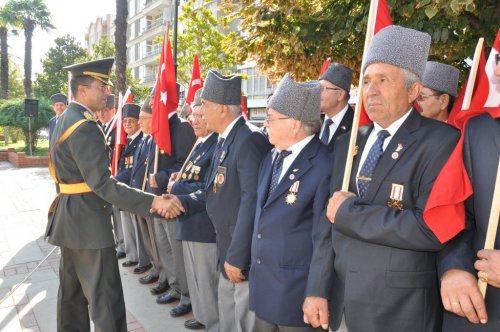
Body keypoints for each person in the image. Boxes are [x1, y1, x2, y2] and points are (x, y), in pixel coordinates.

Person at [302, 25, 460, 332]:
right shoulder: (350, 141)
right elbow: (327, 221)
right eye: (366, 81)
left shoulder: (442, 142)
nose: (370, 91)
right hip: (342, 303)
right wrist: (317, 288)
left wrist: (351, 213)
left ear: (413, 91)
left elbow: (433, 228)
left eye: (383, 80)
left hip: (399, 311)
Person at [45, 57, 176, 332]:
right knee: (106, 300)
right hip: (89, 224)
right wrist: (152, 201)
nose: (106, 92)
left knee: (71, 298)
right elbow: (102, 184)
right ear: (82, 90)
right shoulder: (84, 126)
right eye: (101, 86)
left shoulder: (63, 119)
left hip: (69, 218)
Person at [166, 70, 271, 332]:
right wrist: (180, 200)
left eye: (206, 107)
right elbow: (214, 190)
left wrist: (237, 256)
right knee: (227, 319)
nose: (201, 113)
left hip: (240, 254)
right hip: (226, 245)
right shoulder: (225, 140)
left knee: (243, 322)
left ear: (223, 109)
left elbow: (252, 201)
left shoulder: (248, 139)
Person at [249, 74, 332, 331]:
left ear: (295, 124)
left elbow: (324, 238)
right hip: (263, 287)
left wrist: (316, 291)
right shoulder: (271, 157)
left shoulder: (324, 164)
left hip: (295, 295)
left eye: (271, 118)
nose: (266, 124)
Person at [437, 46, 500, 331]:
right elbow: (461, 217)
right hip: (481, 313)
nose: (496, 71)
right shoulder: (480, 131)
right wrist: (454, 268)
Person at [166, 89, 220, 331]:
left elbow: (207, 186)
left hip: (202, 223)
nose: (195, 121)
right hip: (188, 219)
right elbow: (191, 176)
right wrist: (180, 178)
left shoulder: (215, 145)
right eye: (192, 116)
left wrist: (176, 185)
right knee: (195, 277)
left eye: (200, 115)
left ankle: (213, 322)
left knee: (206, 278)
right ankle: (201, 313)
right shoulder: (199, 144)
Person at [147, 87, 196, 318]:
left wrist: (162, 178)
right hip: (157, 199)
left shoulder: (182, 128)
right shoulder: (159, 126)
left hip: (172, 199)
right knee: (165, 248)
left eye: (155, 96)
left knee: (176, 251)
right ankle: (175, 287)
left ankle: (186, 295)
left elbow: (184, 166)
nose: (151, 100)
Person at [113, 103, 150, 270]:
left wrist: (113, 181)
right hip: (125, 189)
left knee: (138, 231)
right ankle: (133, 255)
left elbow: (131, 170)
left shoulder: (141, 140)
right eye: (125, 121)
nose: (127, 124)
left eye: (131, 120)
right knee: (129, 227)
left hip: (133, 189)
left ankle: (141, 259)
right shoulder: (129, 141)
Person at [318, 63, 354, 150]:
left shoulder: (356, 127)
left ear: (340, 95)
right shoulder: (314, 122)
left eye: (322, 89)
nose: (317, 93)